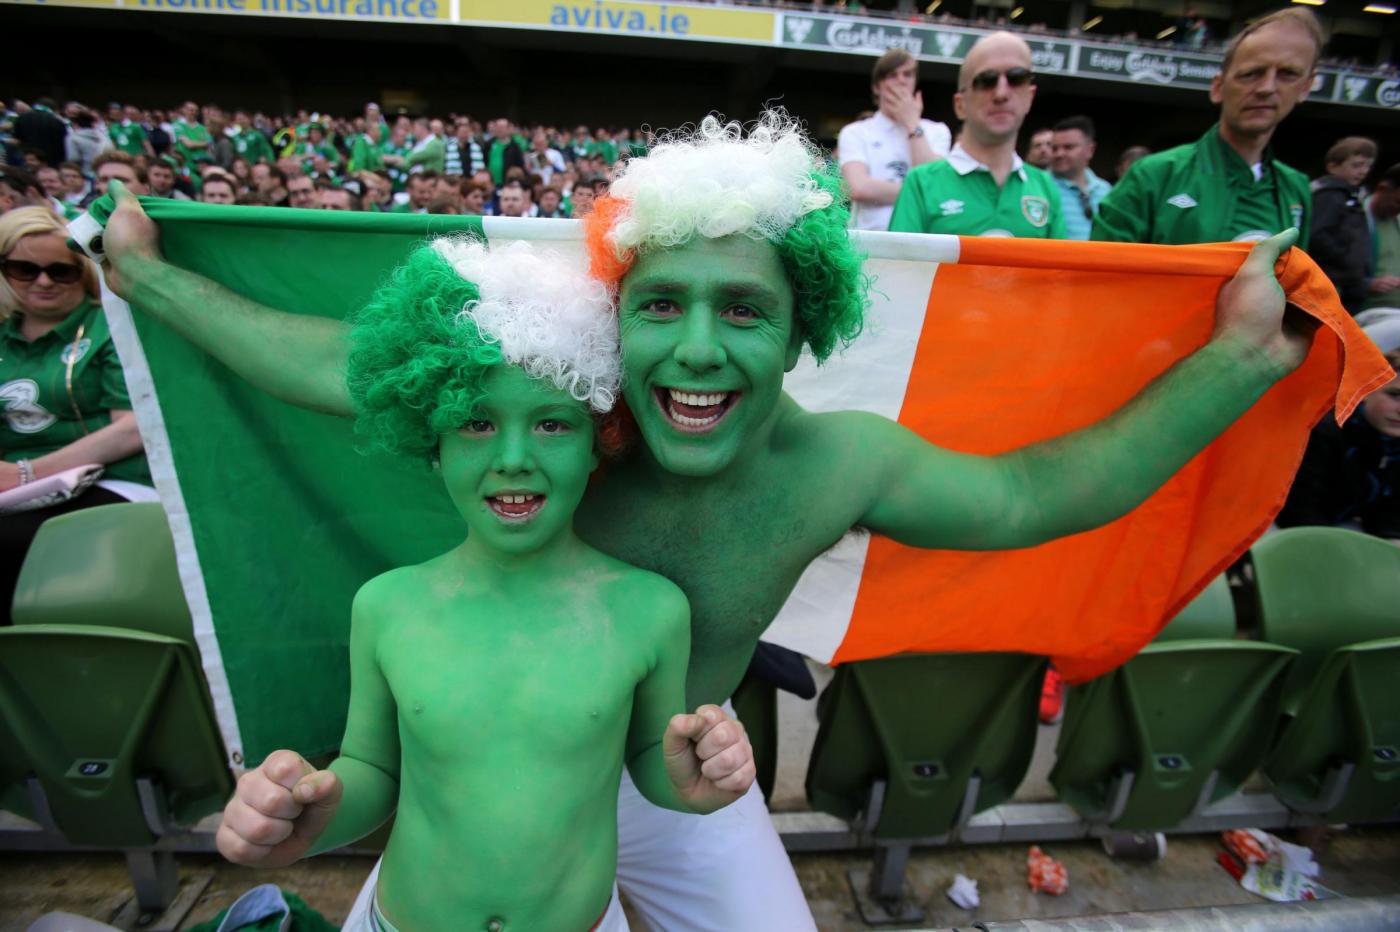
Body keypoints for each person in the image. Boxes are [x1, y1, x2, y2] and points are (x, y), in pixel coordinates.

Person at [102, 108, 1310, 928]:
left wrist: (1241, 359)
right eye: (659, 304)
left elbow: (1033, 494)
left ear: (800, 329)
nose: (692, 348)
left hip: (670, 777)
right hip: (492, 777)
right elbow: (326, 363)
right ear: (610, 321)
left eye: (740, 309)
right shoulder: (558, 404)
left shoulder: (837, 462)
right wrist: (141, 273)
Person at [214, 237, 755, 931]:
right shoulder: (387, 606)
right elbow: (372, 771)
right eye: (475, 423)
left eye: (553, 423)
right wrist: (309, 815)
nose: (513, 458)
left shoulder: (652, 609)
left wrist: (694, 783)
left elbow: (653, 759)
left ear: (600, 441)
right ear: (431, 445)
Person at [0, 206, 153, 625]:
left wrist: (27, 473)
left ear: (82, 271)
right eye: (24, 269)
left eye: (60, 271)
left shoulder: (112, 326)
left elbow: (133, 428)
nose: (43, 281)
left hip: (111, 480)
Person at [1092, 8, 1318, 246]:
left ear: (1306, 87)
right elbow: (1100, 265)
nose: (1266, 88)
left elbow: (1297, 269)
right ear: (1218, 87)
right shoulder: (1152, 176)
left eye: (1287, 74)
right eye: (1251, 74)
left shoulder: (1296, 188)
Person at [889, 32, 1065, 238]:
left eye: (1016, 78)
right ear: (960, 104)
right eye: (986, 80)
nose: (1001, 93)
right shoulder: (921, 183)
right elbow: (898, 260)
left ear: (1030, 96)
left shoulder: (1046, 188)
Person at [1277, 315, 1400, 539]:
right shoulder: (1322, 432)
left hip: (1338, 527)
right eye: (1394, 395)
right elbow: (1299, 510)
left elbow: (1388, 519)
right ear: (1365, 390)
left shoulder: (1392, 444)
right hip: (1283, 530)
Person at [837, 48, 952, 232]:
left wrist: (912, 123)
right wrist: (917, 195)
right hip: (872, 241)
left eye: (908, 74)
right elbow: (858, 187)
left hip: (923, 240)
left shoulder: (938, 131)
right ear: (877, 86)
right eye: (892, 75)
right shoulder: (855, 132)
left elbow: (933, 184)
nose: (901, 80)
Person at [1309, 137, 1378, 315]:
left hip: (1348, 282)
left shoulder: (1352, 196)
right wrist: (1345, 257)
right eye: (1356, 165)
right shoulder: (1330, 195)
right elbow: (1318, 234)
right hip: (1332, 280)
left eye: (1367, 166)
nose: (1363, 171)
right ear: (1333, 166)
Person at [1050, 115, 1113, 241]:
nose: (1059, 154)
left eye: (1068, 147)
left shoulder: (1106, 190)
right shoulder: (1041, 186)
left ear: (1090, 150)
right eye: (1054, 148)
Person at [1364, 164, 1400, 312]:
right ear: (1382, 189)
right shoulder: (1354, 218)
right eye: (1398, 202)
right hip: (1367, 311)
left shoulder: (1396, 220)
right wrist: (1367, 284)